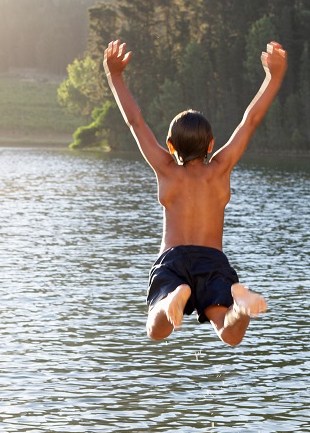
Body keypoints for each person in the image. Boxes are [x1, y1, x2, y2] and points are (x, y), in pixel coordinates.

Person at [103, 39, 287, 346]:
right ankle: (240, 307)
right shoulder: (220, 169)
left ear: (171, 146)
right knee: (229, 333)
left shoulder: (166, 168)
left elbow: (135, 121)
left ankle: (172, 298)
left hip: (173, 260)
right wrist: (274, 76)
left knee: (156, 329)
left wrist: (115, 75)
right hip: (212, 261)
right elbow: (250, 120)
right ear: (212, 145)